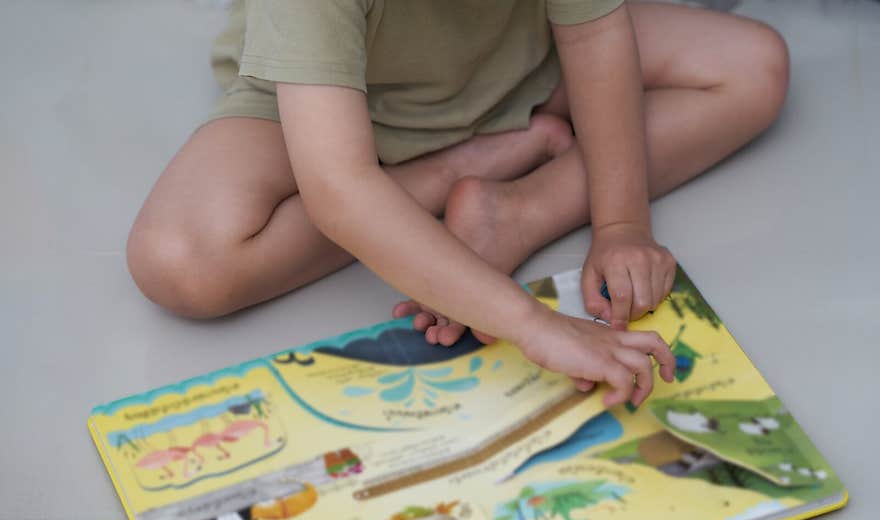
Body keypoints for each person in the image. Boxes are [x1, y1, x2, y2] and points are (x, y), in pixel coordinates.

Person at [127, 0, 788, 407]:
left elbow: (593, 36)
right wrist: (534, 324)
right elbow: (338, 188)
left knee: (753, 66)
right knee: (179, 262)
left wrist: (622, 221)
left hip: (523, 68)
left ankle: (522, 208)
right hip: (330, 105)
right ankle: (448, 174)